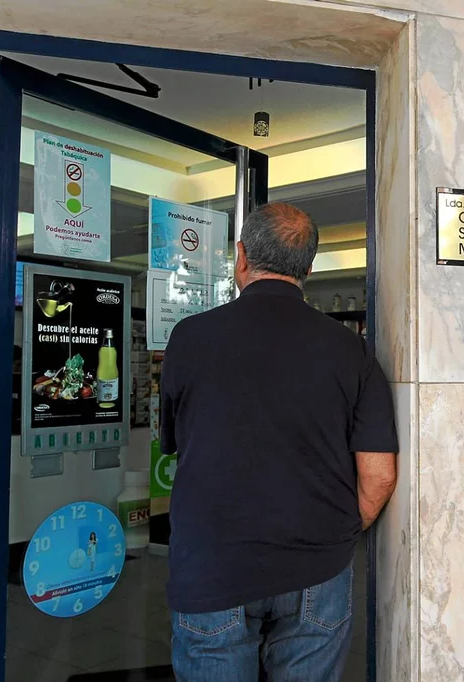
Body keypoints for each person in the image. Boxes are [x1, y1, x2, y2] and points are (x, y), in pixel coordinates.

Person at [161, 203, 399, 682]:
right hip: (318, 567)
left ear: (241, 257)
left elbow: (176, 445)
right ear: (308, 268)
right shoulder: (351, 349)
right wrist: (335, 533)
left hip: (212, 565)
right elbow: (380, 475)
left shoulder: (188, 338)